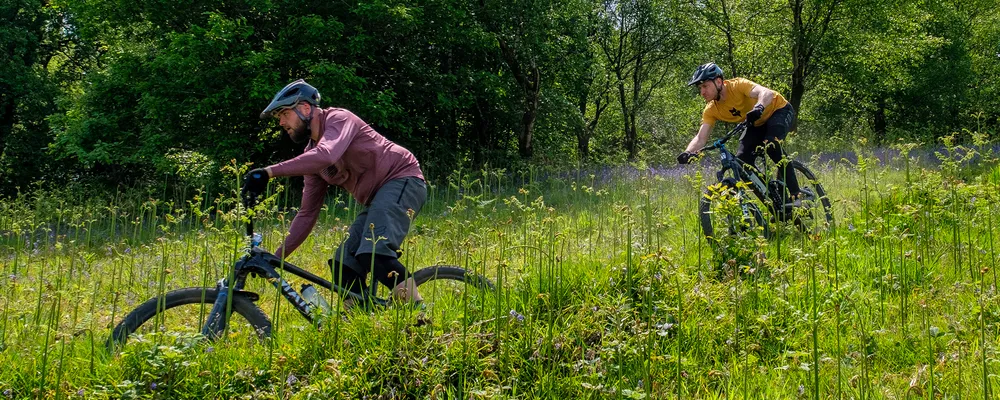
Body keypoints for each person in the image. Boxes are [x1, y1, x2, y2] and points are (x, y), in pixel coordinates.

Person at [241, 79, 426, 308]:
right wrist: (277, 257)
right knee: (342, 266)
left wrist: (268, 172)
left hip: (403, 179)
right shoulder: (312, 155)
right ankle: (362, 323)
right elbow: (307, 214)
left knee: (374, 253)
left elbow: (327, 154)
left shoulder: (338, 119)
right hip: (376, 200)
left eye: (283, 114)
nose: (280, 122)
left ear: (305, 108)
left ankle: (419, 318)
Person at [676, 62, 801, 204]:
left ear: (718, 81)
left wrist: (759, 106)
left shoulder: (737, 85)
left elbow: (767, 93)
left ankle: (796, 195)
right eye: (700, 88)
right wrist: (688, 152)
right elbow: (700, 138)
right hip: (756, 123)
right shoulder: (711, 110)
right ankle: (774, 201)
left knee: (771, 143)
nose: (702, 92)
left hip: (778, 110)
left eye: (705, 86)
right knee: (742, 162)